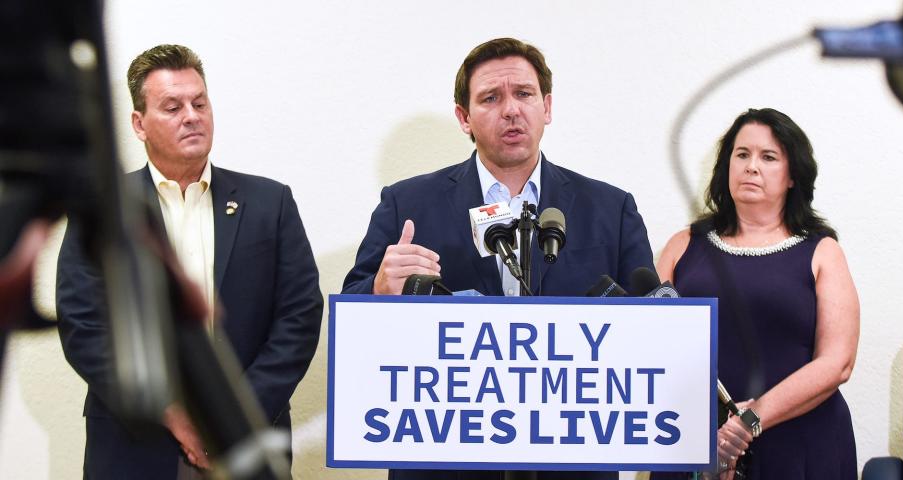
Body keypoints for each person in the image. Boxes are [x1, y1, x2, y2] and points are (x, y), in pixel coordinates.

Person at [342, 38, 654, 480]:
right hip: (442, 461)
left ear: (546, 107)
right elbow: (352, 318)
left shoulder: (610, 208)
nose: (511, 109)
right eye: (491, 98)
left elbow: (651, 330)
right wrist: (377, 290)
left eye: (523, 94)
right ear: (464, 118)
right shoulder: (407, 203)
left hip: (572, 462)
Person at [56, 44, 323, 479]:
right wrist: (171, 412)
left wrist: (233, 418)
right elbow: (84, 326)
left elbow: (300, 315)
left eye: (200, 103)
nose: (192, 115)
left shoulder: (269, 202)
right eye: (173, 107)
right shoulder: (104, 210)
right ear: (139, 124)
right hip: (133, 446)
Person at [654, 108, 859, 479]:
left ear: (793, 175)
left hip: (800, 446)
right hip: (694, 444)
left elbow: (837, 362)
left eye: (768, 157)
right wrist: (713, 435)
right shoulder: (683, 245)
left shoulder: (822, 251)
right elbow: (651, 347)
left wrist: (747, 421)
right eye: (742, 154)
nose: (751, 167)